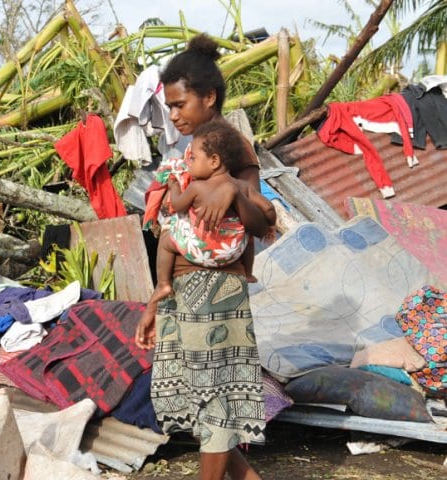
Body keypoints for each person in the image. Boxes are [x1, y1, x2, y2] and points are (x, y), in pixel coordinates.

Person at [136, 33, 269, 480]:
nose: (173, 115)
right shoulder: (187, 151)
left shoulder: (232, 147)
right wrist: (159, 295)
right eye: (169, 107)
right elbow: (174, 225)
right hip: (184, 288)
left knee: (214, 397)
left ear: (209, 98)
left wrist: (234, 188)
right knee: (197, 396)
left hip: (218, 289)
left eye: (179, 105)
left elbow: (258, 225)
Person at [153, 118, 276, 303]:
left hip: (200, 253)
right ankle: (249, 274)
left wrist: (174, 188)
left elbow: (177, 206)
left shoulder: (197, 188)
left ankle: (163, 284)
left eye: (193, 158)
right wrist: (271, 223)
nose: (189, 162)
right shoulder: (243, 186)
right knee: (247, 234)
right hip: (231, 253)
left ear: (214, 161)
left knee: (167, 234)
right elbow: (268, 207)